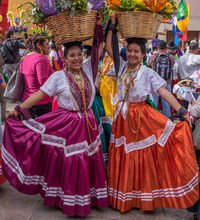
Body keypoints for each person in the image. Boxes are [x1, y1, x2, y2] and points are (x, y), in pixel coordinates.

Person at [2, 22, 108, 217]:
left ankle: (88, 198)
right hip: (68, 125)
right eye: (72, 55)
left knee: (88, 160)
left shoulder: (89, 69)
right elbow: (41, 94)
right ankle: (69, 201)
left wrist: (101, 26)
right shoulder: (58, 77)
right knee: (74, 162)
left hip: (88, 122)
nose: (77, 58)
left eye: (79, 54)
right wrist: (19, 108)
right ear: (64, 58)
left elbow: (98, 46)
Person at [104, 13, 199, 213]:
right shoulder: (120, 67)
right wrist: (111, 26)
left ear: (143, 54)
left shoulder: (147, 72)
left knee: (141, 156)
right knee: (125, 155)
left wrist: (181, 111)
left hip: (142, 118)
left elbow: (164, 91)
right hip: (122, 119)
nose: (132, 54)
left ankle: (141, 198)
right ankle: (126, 197)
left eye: (136, 52)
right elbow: (108, 48)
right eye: (129, 51)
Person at [20, 37, 54, 118]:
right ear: (39, 45)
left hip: (27, 100)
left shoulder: (25, 57)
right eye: (46, 44)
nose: (49, 46)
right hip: (41, 102)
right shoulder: (40, 58)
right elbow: (44, 82)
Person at [148, 40, 175, 118]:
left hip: (155, 83)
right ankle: (166, 120)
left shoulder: (152, 57)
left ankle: (154, 119)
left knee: (154, 102)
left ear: (157, 47)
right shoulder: (171, 57)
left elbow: (148, 68)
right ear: (166, 48)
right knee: (166, 103)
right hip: (167, 83)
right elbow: (171, 68)